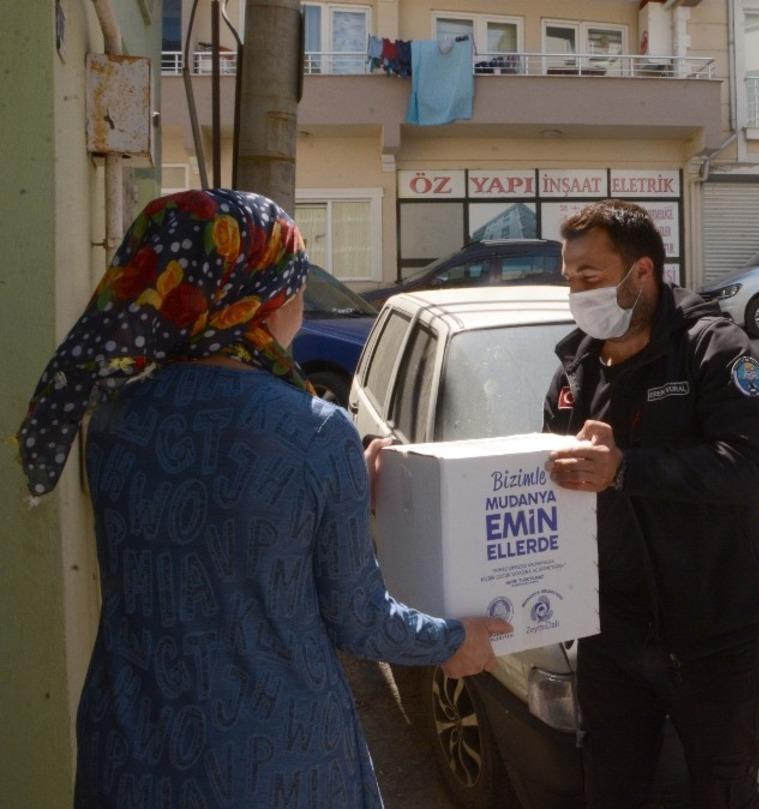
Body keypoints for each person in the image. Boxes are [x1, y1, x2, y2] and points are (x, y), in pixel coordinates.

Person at [15, 189, 508, 808]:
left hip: (131, 747)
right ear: (256, 298)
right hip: (273, 755)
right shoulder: (315, 432)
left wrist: (341, 486)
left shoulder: (114, 416)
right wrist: (453, 641)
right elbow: (359, 619)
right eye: (295, 283)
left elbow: (203, 523)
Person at [542, 199, 759, 808]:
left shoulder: (714, 349)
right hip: (613, 635)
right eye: (570, 279)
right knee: (611, 786)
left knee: (722, 788)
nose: (577, 293)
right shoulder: (574, 371)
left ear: (643, 272)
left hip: (714, 634)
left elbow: (751, 470)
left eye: (590, 277)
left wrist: (626, 468)